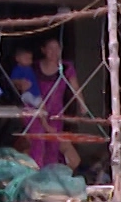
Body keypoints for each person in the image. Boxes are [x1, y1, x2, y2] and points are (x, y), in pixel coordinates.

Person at [22, 35, 86, 168]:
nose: (54, 52)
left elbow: (74, 87)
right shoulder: (34, 67)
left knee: (53, 145)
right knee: (37, 144)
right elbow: (19, 83)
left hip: (55, 112)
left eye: (57, 49)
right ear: (43, 50)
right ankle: (36, 176)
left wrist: (82, 104)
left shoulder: (66, 67)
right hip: (36, 111)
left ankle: (49, 176)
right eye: (50, 49)